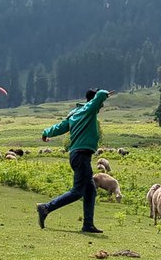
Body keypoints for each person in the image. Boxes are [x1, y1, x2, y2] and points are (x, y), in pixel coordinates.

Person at [36, 88, 109, 232]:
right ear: (92, 101)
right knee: (77, 191)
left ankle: (88, 224)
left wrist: (46, 132)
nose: (101, 107)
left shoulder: (75, 114)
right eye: (100, 105)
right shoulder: (89, 110)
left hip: (78, 155)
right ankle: (46, 207)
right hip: (81, 155)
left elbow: (60, 127)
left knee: (90, 190)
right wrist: (104, 93)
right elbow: (100, 95)